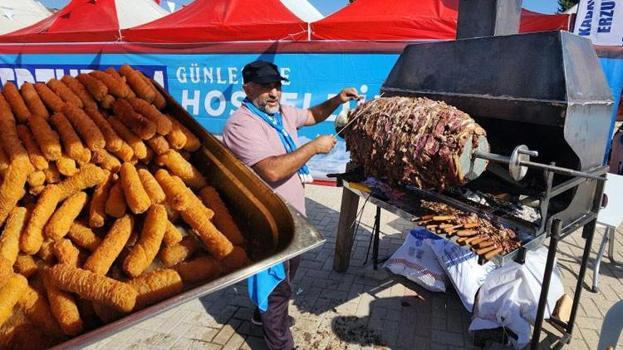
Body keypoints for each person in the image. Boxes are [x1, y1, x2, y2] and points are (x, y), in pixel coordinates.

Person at [222, 60, 359, 350]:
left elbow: (312, 115)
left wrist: (337, 99)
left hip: (294, 217)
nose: (274, 93)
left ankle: (262, 317)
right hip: (268, 222)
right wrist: (312, 148)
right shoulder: (240, 124)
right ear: (248, 88)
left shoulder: (281, 112)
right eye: (265, 87)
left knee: (287, 273)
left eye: (277, 86)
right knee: (276, 289)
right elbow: (271, 171)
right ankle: (280, 343)